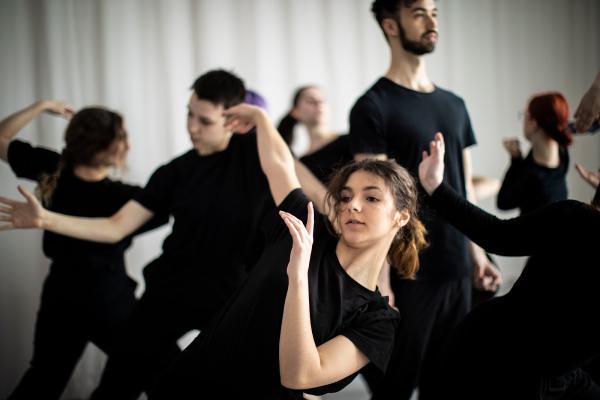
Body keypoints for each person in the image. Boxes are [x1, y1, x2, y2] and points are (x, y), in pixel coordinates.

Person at [0, 70, 276, 399]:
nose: (191, 126)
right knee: (135, 381)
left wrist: (261, 119)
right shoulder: (156, 181)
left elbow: (300, 185)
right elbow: (117, 226)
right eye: (189, 114)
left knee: (256, 382)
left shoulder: (254, 156)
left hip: (222, 294)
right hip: (140, 296)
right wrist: (45, 220)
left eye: (203, 120)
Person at [146, 102, 428, 399]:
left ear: (402, 215)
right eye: (345, 197)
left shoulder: (377, 320)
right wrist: (259, 117)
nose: (352, 205)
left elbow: (300, 375)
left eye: (371, 198)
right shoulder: (305, 228)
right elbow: (280, 164)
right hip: (188, 384)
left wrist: (298, 278)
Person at [347, 1, 501, 398]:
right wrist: (380, 282)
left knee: (449, 384)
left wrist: (478, 258)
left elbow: (463, 190)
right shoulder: (372, 106)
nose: (432, 20)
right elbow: (370, 203)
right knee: (395, 386)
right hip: (408, 272)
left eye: (434, 11)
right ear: (391, 26)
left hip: (457, 271)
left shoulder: (454, 104)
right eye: (419, 12)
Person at [0, 101, 167, 400]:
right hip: (108, 301)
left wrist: (40, 107)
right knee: (163, 371)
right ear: (106, 148)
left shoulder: (50, 167)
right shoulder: (128, 198)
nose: (127, 145)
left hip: (62, 297)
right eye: (122, 138)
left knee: (43, 379)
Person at [418, 132, 600, 400]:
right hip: (495, 355)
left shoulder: (576, 214)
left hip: (502, 351)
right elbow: (498, 230)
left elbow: (496, 234)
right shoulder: (577, 218)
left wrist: (436, 187)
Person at [497, 92, 573, 215]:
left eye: (525, 115)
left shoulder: (532, 177)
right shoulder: (562, 154)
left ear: (534, 123)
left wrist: (515, 160)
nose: (523, 121)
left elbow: (503, 202)